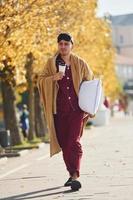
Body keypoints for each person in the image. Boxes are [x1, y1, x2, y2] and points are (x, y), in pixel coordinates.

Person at [38, 33, 94, 190]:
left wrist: (89, 106)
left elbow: (90, 82)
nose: (63, 46)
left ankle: (75, 175)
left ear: (72, 45)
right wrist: (53, 78)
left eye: (66, 44)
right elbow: (40, 81)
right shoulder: (51, 63)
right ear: (58, 45)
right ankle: (71, 173)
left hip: (77, 110)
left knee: (73, 141)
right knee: (64, 143)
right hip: (58, 111)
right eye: (60, 43)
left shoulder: (81, 63)